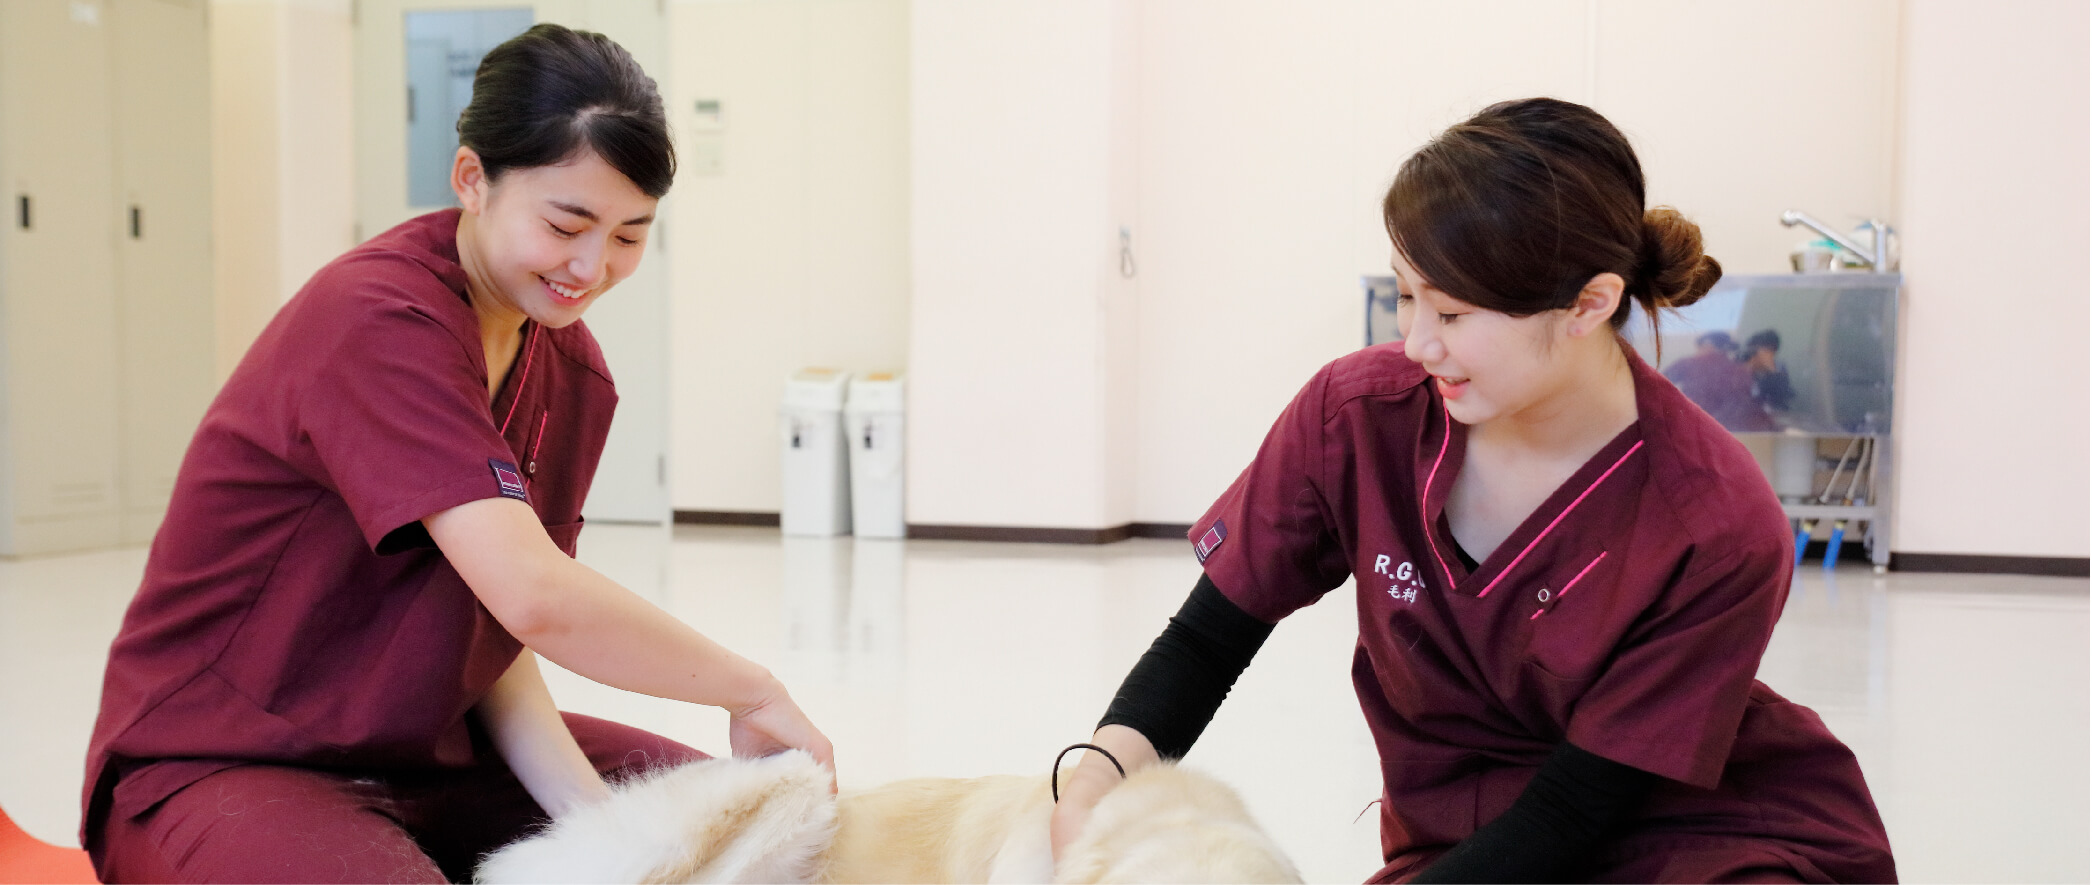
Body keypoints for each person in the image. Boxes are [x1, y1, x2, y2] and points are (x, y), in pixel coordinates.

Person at [1049, 98, 1895, 883]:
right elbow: (1208, 637)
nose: (1416, 342)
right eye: (1407, 294)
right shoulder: (1359, 417)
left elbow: (1577, 807)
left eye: (1451, 315)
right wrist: (1098, 777)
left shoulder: (1715, 518)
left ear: (1588, 304)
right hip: (1466, 848)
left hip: (1703, 836)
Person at [80, 24, 833, 883]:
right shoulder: (378, 320)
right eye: (567, 223)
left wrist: (606, 831)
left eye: (629, 235)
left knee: (751, 825)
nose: (591, 267)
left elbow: (497, 629)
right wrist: (751, 688)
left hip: (428, 746)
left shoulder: (569, 367)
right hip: (229, 759)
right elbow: (537, 596)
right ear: (472, 179)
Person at [1663, 330, 1776, 431]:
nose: (1697, 352)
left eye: (1699, 347)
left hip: (1692, 427)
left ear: (1707, 344)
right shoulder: (1740, 371)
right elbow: (1751, 406)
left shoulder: (1688, 363)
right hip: (1728, 431)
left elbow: (1657, 385)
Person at [1742, 329, 1796, 414]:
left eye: (1764, 351)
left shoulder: (1779, 369)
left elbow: (1782, 398)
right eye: (1752, 351)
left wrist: (1771, 372)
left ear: (1772, 351)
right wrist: (1746, 371)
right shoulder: (1741, 367)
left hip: (1769, 418)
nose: (1755, 356)